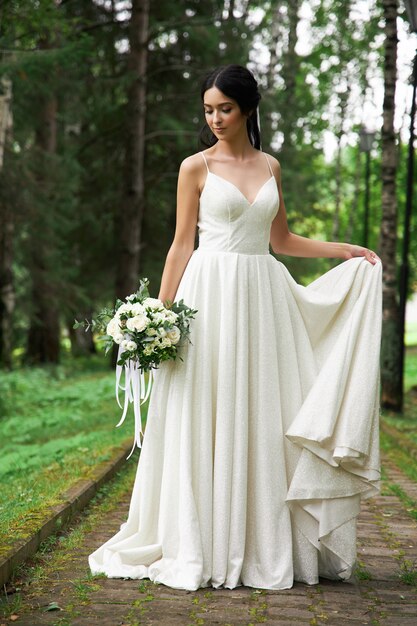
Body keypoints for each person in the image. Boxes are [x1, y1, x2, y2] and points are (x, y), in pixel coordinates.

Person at [89, 64, 382, 591]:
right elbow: (182, 244)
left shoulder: (270, 166)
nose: (215, 118)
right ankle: (201, 538)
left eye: (225, 108)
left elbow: (283, 240)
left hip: (261, 297)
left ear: (247, 108)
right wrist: (156, 314)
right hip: (209, 294)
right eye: (208, 109)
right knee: (208, 405)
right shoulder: (194, 167)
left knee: (263, 407)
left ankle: (261, 539)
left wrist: (345, 250)